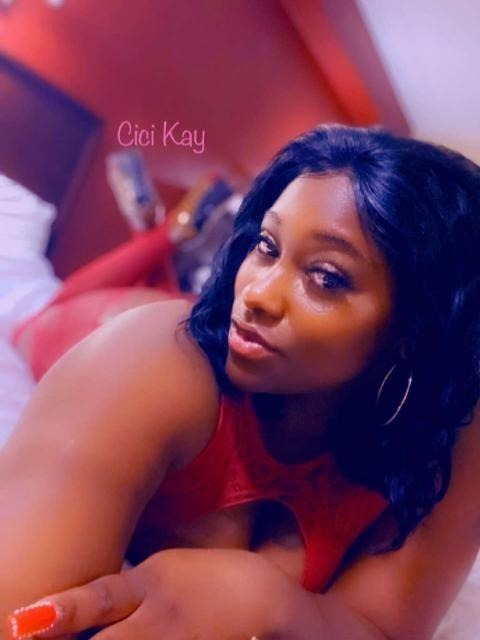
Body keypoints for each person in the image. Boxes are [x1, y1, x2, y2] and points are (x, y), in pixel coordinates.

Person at [1, 124, 480, 640]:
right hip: (89, 323)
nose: (256, 294)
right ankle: (166, 235)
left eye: (325, 277)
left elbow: (382, 630)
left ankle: (170, 239)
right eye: (266, 245)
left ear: (416, 331)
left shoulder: (443, 434)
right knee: (42, 313)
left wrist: (270, 602)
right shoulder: (150, 359)